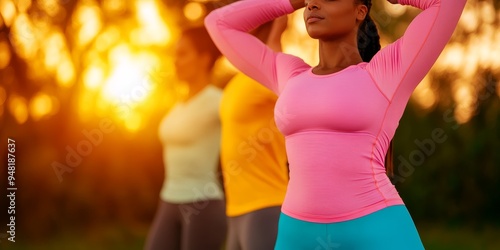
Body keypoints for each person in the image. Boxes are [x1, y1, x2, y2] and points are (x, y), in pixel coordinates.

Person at [205, 0, 466, 249]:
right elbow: (218, 23)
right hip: (297, 232)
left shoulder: (386, 72)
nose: (313, 5)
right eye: (310, 0)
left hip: (373, 226)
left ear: (360, 11)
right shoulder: (289, 74)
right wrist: (288, 2)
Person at [144, 26, 226, 250]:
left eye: (182, 54)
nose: (175, 61)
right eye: (175, 54)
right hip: (169, 197)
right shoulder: (177, 107)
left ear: (204, 58)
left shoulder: (218, 101)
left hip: (203, 203)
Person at [219, 16, 289, 250]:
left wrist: (277, 30)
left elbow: (283, 82)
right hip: (236, 207)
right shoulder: (237, 80)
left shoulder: (268, 69)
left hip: (265, 204)